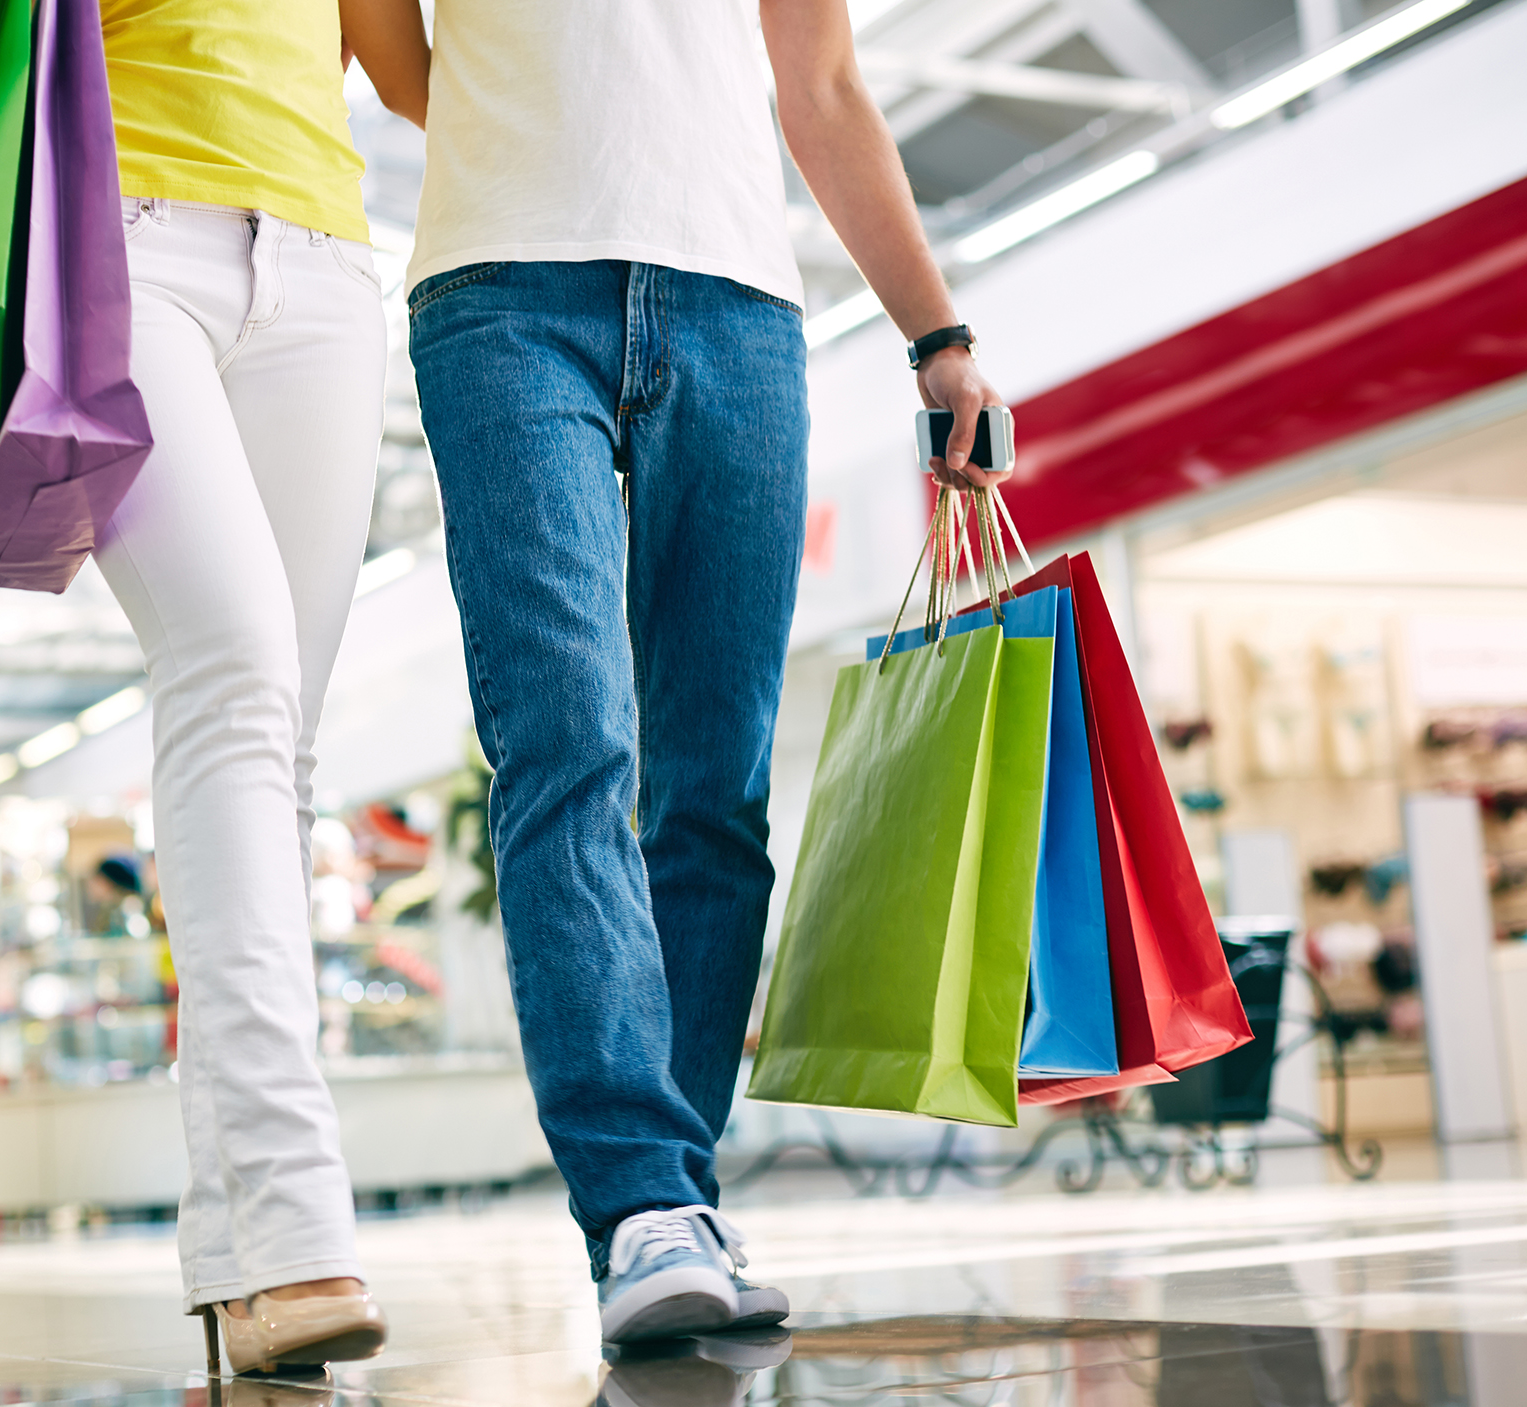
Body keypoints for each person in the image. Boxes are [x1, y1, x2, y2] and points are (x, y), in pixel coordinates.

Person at [379, 0, 1015, 1344]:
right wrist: (552, 142)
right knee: (569, 744)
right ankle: (638, 1206)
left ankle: (678, 1197)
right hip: (503, 293)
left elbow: (823, 84)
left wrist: (935, 337)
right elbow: (397, 67)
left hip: (738, 308)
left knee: (716, 786)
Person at [89, 0, 428, 1377]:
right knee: (230, 673)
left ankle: (240, 1253)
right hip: (115, 233)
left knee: (276, 740)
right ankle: (294, 1231)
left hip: (323, 257)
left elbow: (404, 74)